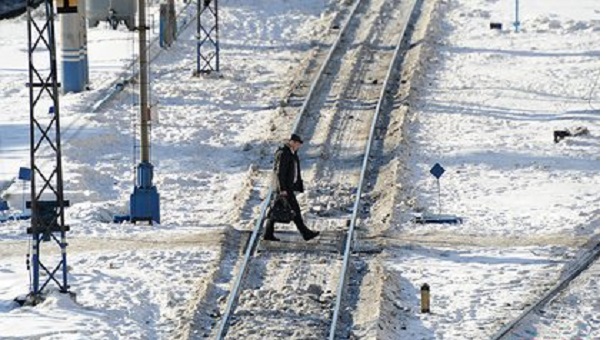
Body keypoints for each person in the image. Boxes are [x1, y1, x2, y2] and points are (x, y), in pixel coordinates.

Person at [264, 134, 320, 242]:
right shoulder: (284, 153)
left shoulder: (291, 153)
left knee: (277, 210)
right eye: (297, 144)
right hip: (284, 188)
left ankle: (268, 234)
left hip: (287, 187)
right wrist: (282, 189)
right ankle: (306, 233)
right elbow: (280, 172)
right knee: (294, 211)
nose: (298, 146)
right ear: (292, 142)